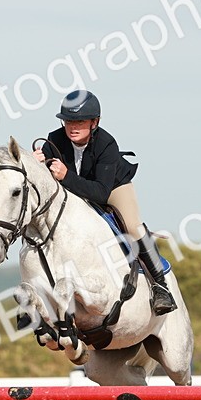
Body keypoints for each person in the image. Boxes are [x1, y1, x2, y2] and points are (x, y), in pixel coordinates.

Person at [34, 90, 176, 316]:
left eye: (80, 121)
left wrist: (66, 177)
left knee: (132, 225)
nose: (73, 126)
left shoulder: (106, 144)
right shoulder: (54, 139)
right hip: (74, 191)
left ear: (94, 122)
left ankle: (160, 286)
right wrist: (37, 164)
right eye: (68, 120)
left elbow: (100, 193)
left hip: (111, 187)